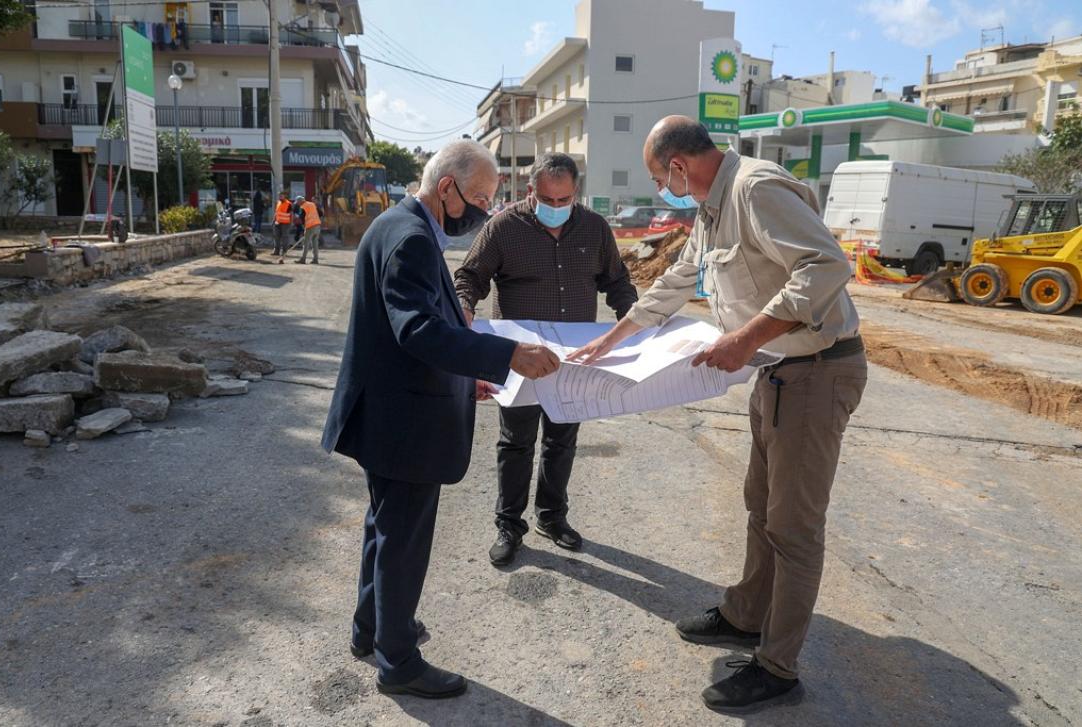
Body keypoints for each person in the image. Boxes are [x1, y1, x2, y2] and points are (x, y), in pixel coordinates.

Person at [569, 117, 866, 715]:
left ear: (679, 165)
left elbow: (827, 267)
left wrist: (743, 338)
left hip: (816, 373)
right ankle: (746, 615)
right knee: (761, 505)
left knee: (795, 526)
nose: (662, 189)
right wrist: (616, 337)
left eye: (660, 177)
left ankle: (778, 667)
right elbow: (680, 278)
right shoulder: (712, 205)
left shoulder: (756, 188)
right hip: (777, 372)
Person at [321, 140, 560, 700]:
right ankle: (398, 663)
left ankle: (372, 631)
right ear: (447, 187)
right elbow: (418, 331)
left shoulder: (398, 224)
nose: (483, 210)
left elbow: (425, 322)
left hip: (390, 415)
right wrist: (505, 357)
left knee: (385, 530)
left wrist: (466, 373)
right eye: (478, 198)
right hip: (402, 424)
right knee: (402, 542)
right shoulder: (409, 237)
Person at [454, 152, 638, 566]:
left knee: (561, 439)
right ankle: (509, 525)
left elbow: (617, 281)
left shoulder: (594, 227)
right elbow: (469, 276)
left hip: (572, 358)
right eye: (548, 199)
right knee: (515, 442)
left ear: (576, 192)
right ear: (531, 190)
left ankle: (552, 517)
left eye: (564, 199)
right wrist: (464, 305)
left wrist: (634, 318)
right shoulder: (503, 227)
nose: (556, 208)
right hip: (519, 356)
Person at [295, 195, 322, 265]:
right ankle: (315, 260)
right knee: (315, 244)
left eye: (297, 202)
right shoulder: (312, 204)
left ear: (300, 201)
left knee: (306, 243)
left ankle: (303, 259)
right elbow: (320, 213)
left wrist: (304, 227)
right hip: (317, 225)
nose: (297, 204)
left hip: (310, 226)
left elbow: (302, 217)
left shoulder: (303, 207)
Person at [272, 191, 292, 256]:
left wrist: (291, 222)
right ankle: (276, 251)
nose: (280, 197)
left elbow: (291, 214)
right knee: (276, 237)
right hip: (277, 223)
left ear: (284, 196)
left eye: (281, 196)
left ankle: (284, 251)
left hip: (285, 223)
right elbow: (276, 212)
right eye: (279, 196)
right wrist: (274, 220)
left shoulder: (288, 204)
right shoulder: (278, 203)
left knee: (285, 237)